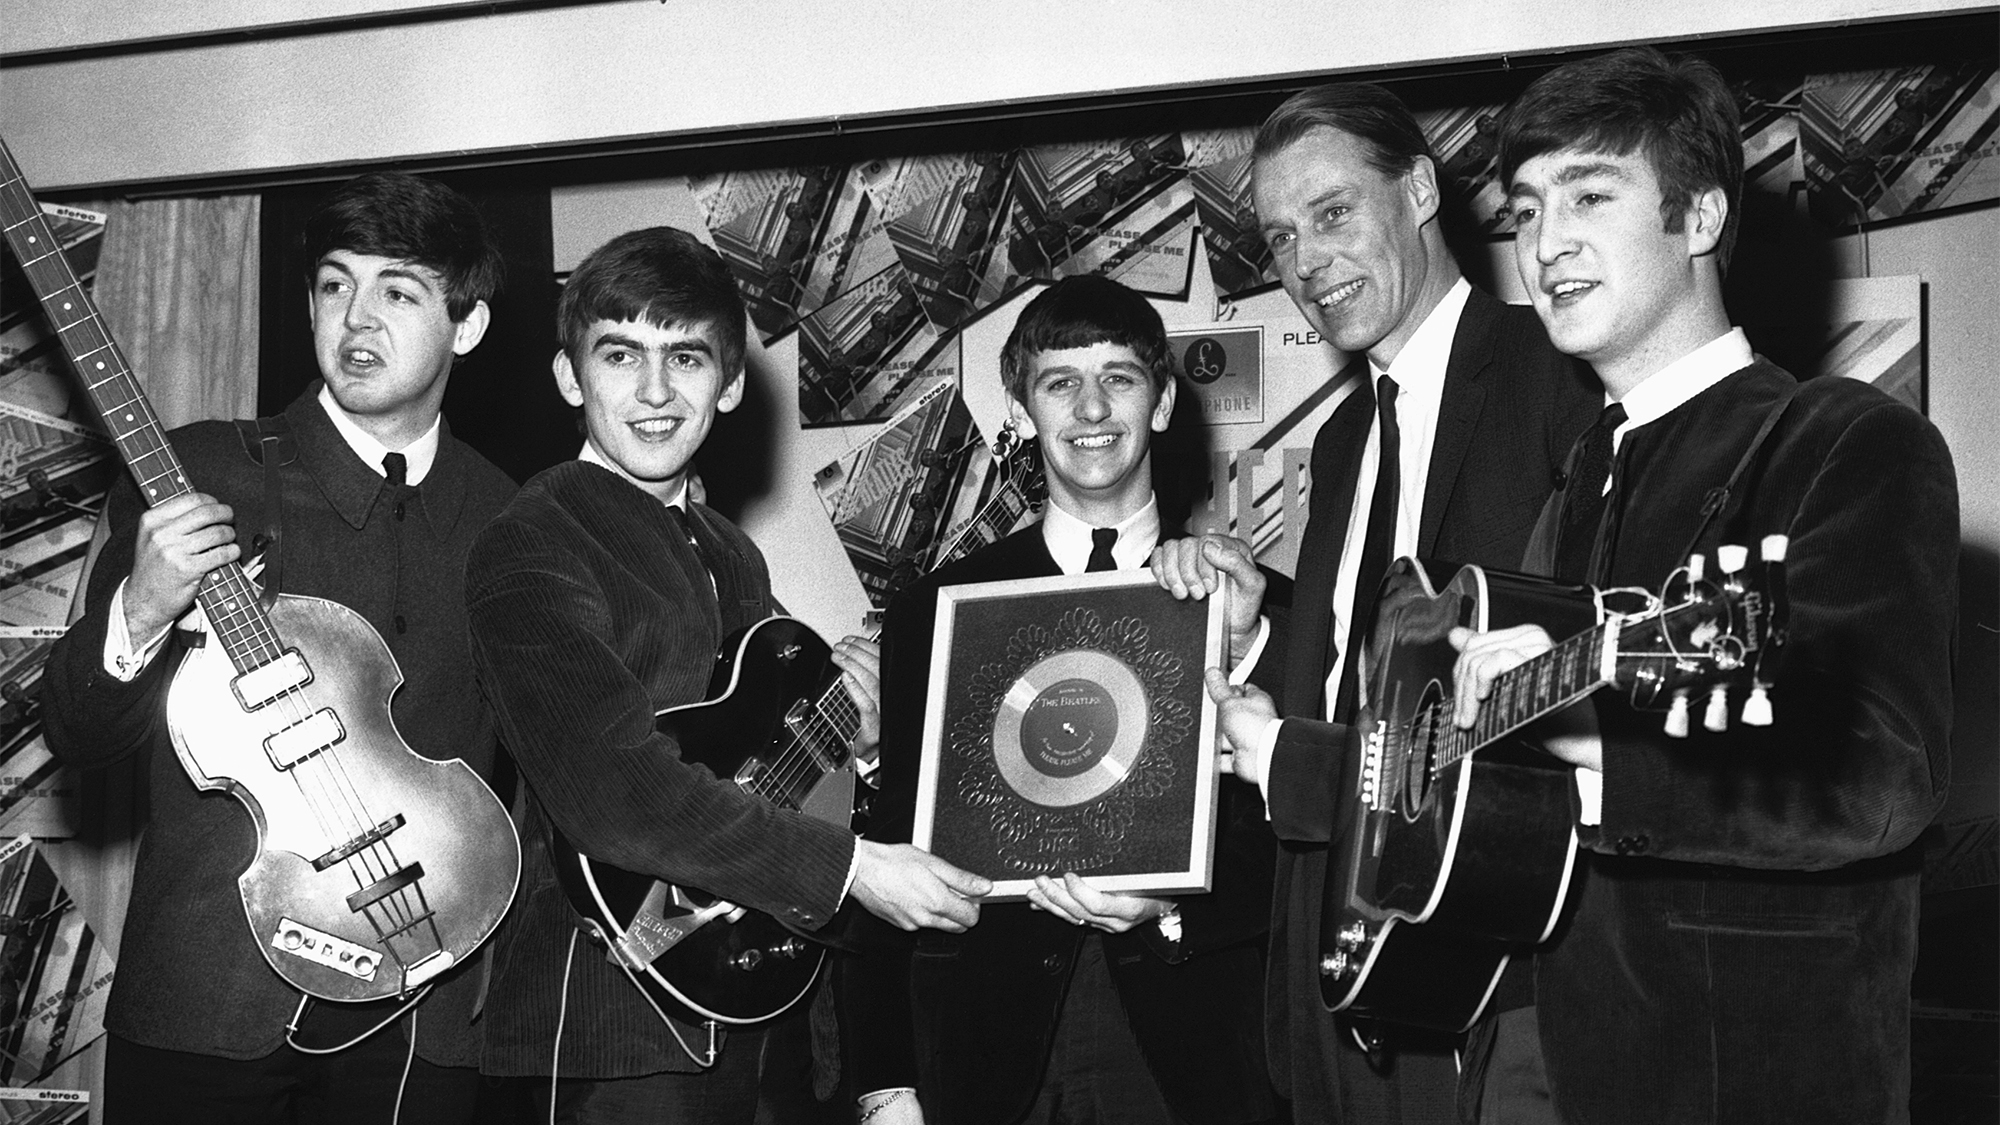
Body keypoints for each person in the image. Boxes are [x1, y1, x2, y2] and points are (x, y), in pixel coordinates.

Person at [1444, 47, 1956, 1123]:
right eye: (1526, 210)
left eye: (1590, 194)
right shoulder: (1579, 479)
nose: (1545, 245)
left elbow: (1874, 780)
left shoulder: (1846, 442)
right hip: (1560, 1070)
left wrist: (1589, 741)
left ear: (1701, 217)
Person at [462, 226, 991, 1124]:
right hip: (608, 1029)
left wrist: (849, 739)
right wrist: (853, 866)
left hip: (755, 1000)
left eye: (688, 357)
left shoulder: (730, 552)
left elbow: (757, 762)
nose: (657, 391)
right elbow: (612, 789)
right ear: (568, 377)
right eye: (621, 354)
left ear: (733, 383)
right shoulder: (535, 539)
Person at [1155, 83, 1600, 1122]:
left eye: (1332, 213)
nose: (1305, 262)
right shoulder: (1350, 436)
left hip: (1492, 976)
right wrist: (1258, 632)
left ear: (1415, 189)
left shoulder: (1554, 373)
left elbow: (1577, 668)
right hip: (1338, 974)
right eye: (1277, 236)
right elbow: (1346, 698)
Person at [39, 172, 519, 1123]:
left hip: (419, 1018)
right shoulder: (198, 469)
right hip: (205, 1012)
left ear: (466, 326)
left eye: (398, 290)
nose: (358, 319)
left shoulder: (510, 519)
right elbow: (75, 731)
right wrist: (140, 607)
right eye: (335, 286)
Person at [838, 275, 1280, 1125]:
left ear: (1161, 403)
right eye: (1059, 382)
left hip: (1186, 1052)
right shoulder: (938, 610)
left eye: (1119, 377)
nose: (1090, 408)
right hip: (987, 1056)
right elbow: (889, 845)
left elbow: (1304, 846)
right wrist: (884, 1084)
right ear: (1023, 407)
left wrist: (1172, 903)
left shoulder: (1258, 604)